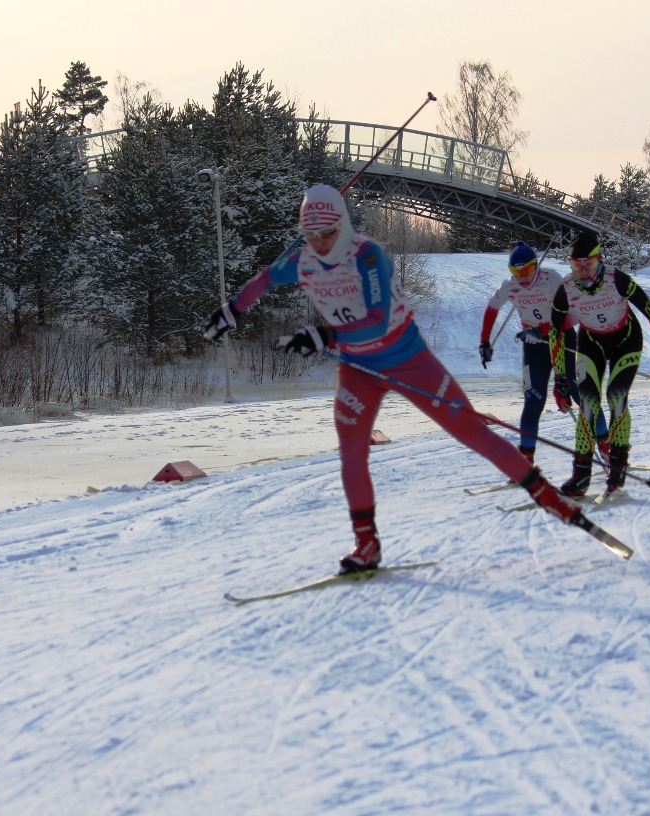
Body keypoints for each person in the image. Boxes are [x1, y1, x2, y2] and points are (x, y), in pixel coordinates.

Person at [204, 184, 581, 573]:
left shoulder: (368, 256)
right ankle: (366, 543)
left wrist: (323, 335)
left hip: (407, 359)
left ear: (342, 225)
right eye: (310, 234)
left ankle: (550, 498)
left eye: (327, 233)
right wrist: (233, 309)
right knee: (352, 452)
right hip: (358, 370)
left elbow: (377, 319)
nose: (319, 243)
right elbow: (266, 277)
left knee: (471, 431)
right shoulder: (304, 261)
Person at [549, 232, 650, 497]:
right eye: (576, 265)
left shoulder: (617, 279)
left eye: (589, 263)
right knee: (588, 404)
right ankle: (581, 474)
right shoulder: (567, 288)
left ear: (600, 259)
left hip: (626, 340)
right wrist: (560, 378)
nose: (583, 271)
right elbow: (555, 333)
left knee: (616, 398)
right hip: (591, 342)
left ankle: (618, 464)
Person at [478, 241, 609, 464]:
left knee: (580, 394)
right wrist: (484, 342)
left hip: (563, 340)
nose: (522, 277)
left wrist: (542, 329)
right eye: (516, 272)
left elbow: (573, 316)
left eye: (527, 270)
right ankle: (526, 461)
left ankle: (607, 447)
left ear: (536, 265)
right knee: (533, 401)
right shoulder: (510, 286)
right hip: (535, 348)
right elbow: (492, 308)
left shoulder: (551, 279)